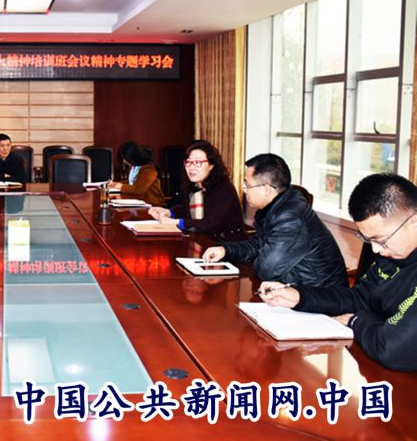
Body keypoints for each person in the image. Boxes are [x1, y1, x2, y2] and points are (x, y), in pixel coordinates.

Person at [259, 173, 417, 371]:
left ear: (414, 221)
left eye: (381, 240)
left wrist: (355, 320)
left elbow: (393, 350)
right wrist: (300, 296)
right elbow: (359, 298)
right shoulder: (392, 253)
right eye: (369, 240)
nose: (376, 250)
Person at [203, 153, 347, 287]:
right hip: (296, 290)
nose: (245, 191)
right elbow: (258, 244)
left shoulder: (290, 218)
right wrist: (225, 250)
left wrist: (257, 254)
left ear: (266, 189)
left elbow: (266, 270)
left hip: (320, 298)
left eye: (248, 185)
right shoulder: (277, 207)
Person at [149, 140, 246, 241]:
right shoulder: (194, 186)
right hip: (201, 239)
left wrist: (176, 222)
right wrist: (169, 212)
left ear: (211, 165)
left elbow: (211, 224)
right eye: (188, 162)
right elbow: (187, 209)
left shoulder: (224, 189)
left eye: (197, 162)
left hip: (227, 244)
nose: (191, 167)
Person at [108, 141, 165, 206]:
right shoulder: (134, 167)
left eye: (125, 159)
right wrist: (116, 184)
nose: (124, 161)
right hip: (138, 200)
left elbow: (139, 190)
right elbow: (132, 182)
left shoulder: (149, 170)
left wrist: (121, 186)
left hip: (151, 203)